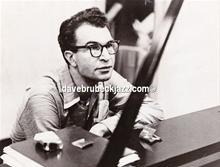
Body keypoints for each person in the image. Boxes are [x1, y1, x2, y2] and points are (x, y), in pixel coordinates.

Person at [11, 7, 163, 143]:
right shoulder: (43, 96)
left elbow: (152, 109)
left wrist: (104, 127)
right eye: (93, 47)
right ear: (71, 57)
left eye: (109, 45)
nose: (106, 56)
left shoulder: (105, 75)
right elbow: (51, 160)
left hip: (81, 158)